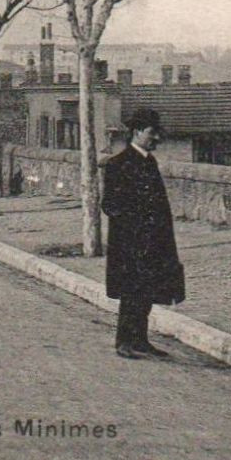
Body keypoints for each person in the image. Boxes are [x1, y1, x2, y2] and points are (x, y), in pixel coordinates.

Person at [101, 107, 184, 360]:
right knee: (131, 292)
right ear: (137, 132)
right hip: (131, 243)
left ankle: (140, 339)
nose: (156, 138)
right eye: (152, 132)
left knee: (146, 291)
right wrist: (135, 228)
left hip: (153, 241)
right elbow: (110, 205)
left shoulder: (149, 162)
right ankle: (124, 341)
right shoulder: (118, 164)